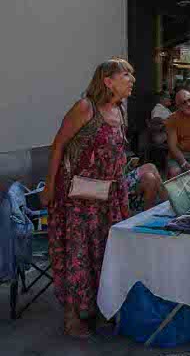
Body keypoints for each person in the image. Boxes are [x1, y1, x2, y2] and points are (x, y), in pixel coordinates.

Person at [40, 58, 134, 337]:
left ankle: (99, 308)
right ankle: (72, 319)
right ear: (108, 81)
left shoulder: (119, 109)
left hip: (110, 195)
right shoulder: (85, 108)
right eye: (126, 75)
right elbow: (58, 145)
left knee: (104, 254)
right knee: (77, 256)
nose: (132, 79)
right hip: (79, 197)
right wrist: (48, 187)